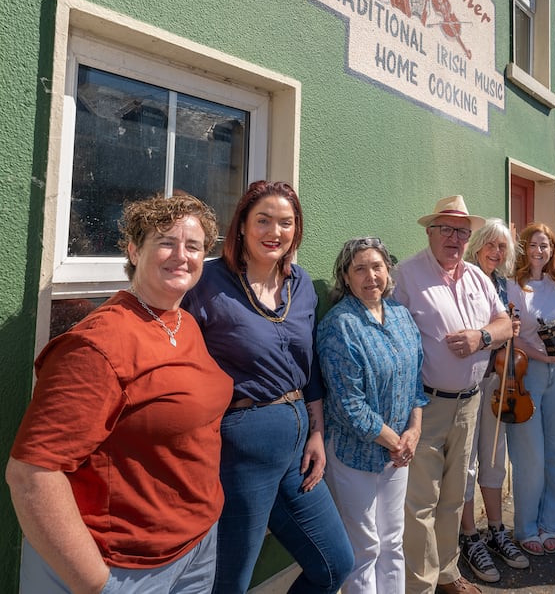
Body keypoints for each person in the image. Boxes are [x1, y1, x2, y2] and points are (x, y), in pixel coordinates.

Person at [7, 194, 233, 594]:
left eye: (194, 246)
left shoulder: (182, 323)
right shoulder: (98, 345)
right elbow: (32, 476)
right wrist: (95, 583)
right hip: (126, 565)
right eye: (166, 241)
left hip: (194, 548)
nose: (181, 255)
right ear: (133, 249)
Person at [182, 181, 354, 594]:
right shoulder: (207, 282)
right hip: (240, 451)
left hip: (297, 448)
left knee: (334, 565)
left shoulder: (301, 286)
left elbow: (308, 364)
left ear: (296, 231)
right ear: (241, 225)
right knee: (230, 582)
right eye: (263, 220)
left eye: (285, 222)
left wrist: (316, 432)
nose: (273, 231)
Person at [393, 195, 513, 594]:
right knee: (420, 504)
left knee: (453, 497)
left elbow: (505, 325)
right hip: (425, 406)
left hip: (470, 403)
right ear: (429, 232)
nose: (454, 237)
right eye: (445, 229)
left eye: (462, 231)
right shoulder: (406, 275)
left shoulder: (478, 277)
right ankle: (420, 585)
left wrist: (481, 337)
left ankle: (447, 573)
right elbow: (391, 338)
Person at [317, 237, 427, 593]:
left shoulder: (400, 315)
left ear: (388, 271)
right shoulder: (339, 325)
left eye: (376, 267)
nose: (370, 276)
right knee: (364, 548)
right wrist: (397, 442)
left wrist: (414, 430)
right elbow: (350, 405)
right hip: (355, 455)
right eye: (359, 269)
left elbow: (415, 379)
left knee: (393, 541)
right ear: (345, 277)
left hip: (398, 453)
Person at [459, 219, 528, 583]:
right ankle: (469, 534)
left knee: (493, 456)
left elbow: (502, 329)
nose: (497, 252)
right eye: (491, 244)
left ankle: (497, 529)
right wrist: (497, 333)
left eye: (503, 247)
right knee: (468, 461)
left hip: (499, 381)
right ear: (477, 245)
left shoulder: (501, 282)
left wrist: (509, 331)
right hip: (471, 382)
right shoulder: (466, 276)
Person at [505, 222, 555, 557]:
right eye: (533, 245)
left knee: (554, 454)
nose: (539, 251)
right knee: (529, 457)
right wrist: (542, 355)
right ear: (523, 248)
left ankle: (552, 524)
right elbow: (512, 334)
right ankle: (526, 528)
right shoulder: (513, 286)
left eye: (545, 245)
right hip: (527, 373)